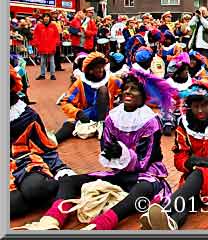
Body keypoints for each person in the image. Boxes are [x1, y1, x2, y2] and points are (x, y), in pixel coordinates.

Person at [17, 70, 175, 231]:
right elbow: (105, 150)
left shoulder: (150, 122)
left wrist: (122, 153)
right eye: (126, 88)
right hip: (120, 173)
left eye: (134, 88)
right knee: (68, 181)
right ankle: (52, 219)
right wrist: (111, 153)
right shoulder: (112, 118)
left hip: (146, 174)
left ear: (143, 95)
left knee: (143, 189)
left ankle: (100, 225)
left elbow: (143, 162)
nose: (128, 91)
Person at [140, 80, 208, 230]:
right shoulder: (184, 127)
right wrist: (188, 162)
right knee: (188, 202)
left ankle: (166, 209)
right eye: (195, 106)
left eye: (204, 105)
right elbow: (179, 158)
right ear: (190, 107)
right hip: (191, 181)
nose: (200, 110)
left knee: (197, 175)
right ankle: (171, 222)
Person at [10, 65, 75, 218]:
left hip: (25, 162)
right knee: (13, 206)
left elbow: (44, 147)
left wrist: (60, 169)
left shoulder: (26, 115)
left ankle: (46, 191)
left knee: (37, 189)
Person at [55, 52, 123, 143]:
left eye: (102, 66)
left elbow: (125, 91)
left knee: (103, 90)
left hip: (107, 117)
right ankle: (51, 143)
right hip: (87, 116)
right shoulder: (80, 84)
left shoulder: (113, 80)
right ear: (90, 70)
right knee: (68, 125)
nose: (101, 70)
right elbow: (66, 102)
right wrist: (78, 113)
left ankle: (103, 127)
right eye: (97, 67)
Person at [32, 12, 60, 81]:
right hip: (42, 46)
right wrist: (36, 43)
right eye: (44, 17)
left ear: (49, 18)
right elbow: (36, 35)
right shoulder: (39, 26)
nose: (46, 18)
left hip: (51, 46)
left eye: (47, 17)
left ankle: (52, 75)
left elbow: (56, 35)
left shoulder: (53, 25)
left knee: (51, 61)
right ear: (43, 18)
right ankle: (42, 75)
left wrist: (56, 43)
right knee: (42, 62)